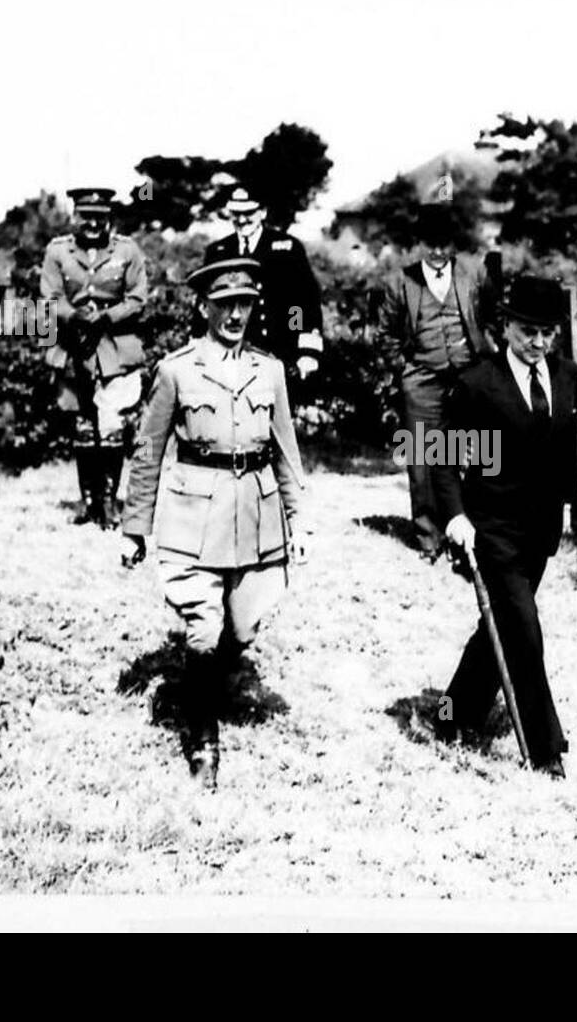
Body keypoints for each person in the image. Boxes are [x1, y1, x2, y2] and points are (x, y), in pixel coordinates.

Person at [121, 258, 308, 790]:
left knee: (243, 627)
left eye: (244, 304)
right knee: (204, 629)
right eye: (224, 305)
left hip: (255, 509)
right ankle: (202, 737)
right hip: (193, 513)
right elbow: (148, 450)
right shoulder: (176, 370)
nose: (235, 315)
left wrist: (298, 521)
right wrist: (136, 528)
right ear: (204, 307)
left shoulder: (268, 369)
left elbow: (286, 448)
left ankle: (204, 685)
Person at [432, 276, 577, 778]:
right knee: (525, 630)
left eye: (548, 332)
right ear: (505, 329)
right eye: (528, 331)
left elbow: (567, 447)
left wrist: (573, 506)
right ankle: (547, 750)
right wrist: (455, 515)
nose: (538, 342)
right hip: (491, 528)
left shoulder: (566, 375)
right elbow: (439, 455)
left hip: (540, 529)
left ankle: (452, 714)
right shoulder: (478, 383)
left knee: (497, 625)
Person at [380, 201, 495, 555]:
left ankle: (478, 533)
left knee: (479, 450)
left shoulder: (474, 273)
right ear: (419, 243)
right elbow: (386, 335)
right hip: (422, 378)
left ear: (454, 244)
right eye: (430, 244)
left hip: (469, 375)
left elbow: (491, 317)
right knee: (424, 458)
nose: (437, 252)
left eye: (444, 244)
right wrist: (405, 370)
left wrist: (486, 362)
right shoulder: (400, 281)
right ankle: (429, 538)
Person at [41, 186, 150, 527]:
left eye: (99, 218)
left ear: (109, 219)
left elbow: (137, 298)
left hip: (115, 346)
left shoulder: (127, 250)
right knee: (83, 425)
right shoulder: (58, 251)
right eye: (86, 217)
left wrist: (106, 316)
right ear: (75, 216)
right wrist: (73, 316)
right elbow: (49, 297)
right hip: (72, 345)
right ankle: (88, 504)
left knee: (114, 424)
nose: (92, 225)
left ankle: (108, 502)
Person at [203, 182, 324, 396]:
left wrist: (305, 349)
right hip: (233, 355)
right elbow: (205, 305)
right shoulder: (219, 251)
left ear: (263, 212)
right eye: (236, 213)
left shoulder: (287, 248)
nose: (241, 220)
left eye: (248, 213)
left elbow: (304, 302)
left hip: (280, 353)